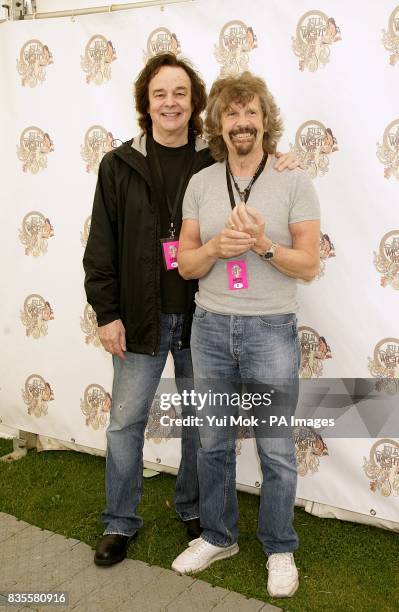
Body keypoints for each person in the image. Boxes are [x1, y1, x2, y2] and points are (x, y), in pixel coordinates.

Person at [83, 54, 299, 568]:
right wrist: (106, 313)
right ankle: (120, 521)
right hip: (139, 318)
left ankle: (196, 512)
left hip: (202, 318)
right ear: (146, 102)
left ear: (195, 103)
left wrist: (282, 156)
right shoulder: (118, 165)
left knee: (203, 427)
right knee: (124, 422)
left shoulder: (213, 160)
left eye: (180, 93)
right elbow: (101, 248)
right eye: (160, 93)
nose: (170, 102)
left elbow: (254, 163)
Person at [172, 71, 320, 599]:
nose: (241, 122)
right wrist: (216, 249)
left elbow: (308, 265)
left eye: (251, 112)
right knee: (213, 442)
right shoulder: (202, 182)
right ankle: (218, 535)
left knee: (276, 448)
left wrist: (260, 245)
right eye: (231, 113)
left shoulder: (293, 180)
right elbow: (186, 264)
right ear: (218, 123)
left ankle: (279, 546)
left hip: (271, 329)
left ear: (265, 120)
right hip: (210, 326)